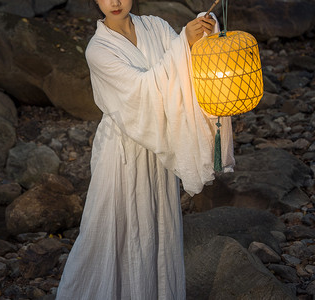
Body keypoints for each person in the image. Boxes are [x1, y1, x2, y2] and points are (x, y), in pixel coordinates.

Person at [55, 0, 235, 299]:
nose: (114, 2)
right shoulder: (98, 50)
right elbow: (141, 90)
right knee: (110, 233)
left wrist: (199, 33)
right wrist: (183, 45)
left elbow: (190, 66)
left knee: (155, 231)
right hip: (121, 153)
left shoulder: (155, 26)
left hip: (158, 148)